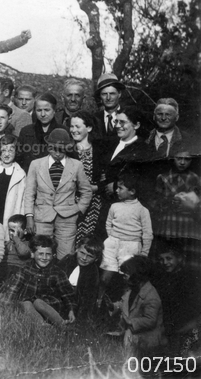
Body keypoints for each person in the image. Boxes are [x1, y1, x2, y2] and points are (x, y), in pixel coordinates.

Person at [23, 128, 93, 259]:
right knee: (41, 253)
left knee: (66, 255)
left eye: (61, 149)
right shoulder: (36, 164)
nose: (57, 153)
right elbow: (29, 193)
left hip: (67, 219)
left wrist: (78, 210)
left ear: (67, 148)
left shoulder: (76, 165)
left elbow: (86, 191)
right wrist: (29, 217)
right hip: (42, 217)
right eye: (53, 149)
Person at [96, 106, 157, 241]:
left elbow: (144, 180)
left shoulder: (144, 150)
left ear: (136, 125)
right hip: (105, 206)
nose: (118, 126)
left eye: (122, 122)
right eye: (116, 122)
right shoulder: (110, 145)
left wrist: (116, 184)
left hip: (126, 212)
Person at [98, 172, 153, 303]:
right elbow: (108, 223)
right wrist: (112, 238)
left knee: (128, 279)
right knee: (105, 277)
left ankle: (123, 307)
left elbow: (147, 233)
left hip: (131, 246)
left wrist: (144, 252)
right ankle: (98, 302)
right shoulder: (114, 206)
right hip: (113, 243)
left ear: (132, 191)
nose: (116, 190)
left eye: (120, 188)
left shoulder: (142, 210)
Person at [149, 141, 201, 275]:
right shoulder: (162, 178)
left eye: (187, 159)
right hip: (168, 225)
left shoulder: (196, 180)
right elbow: (154, 203)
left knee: (188, 263)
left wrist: (190, 205)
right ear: (173, 158)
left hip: (188, 226)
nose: (182, 162)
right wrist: (168, 202)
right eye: (179, 158)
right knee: (165, 261)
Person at [1, 235, 76, 326]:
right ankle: (42, 325)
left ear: (53, 255)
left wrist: (71, 310)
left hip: (50, 306)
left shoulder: (57, 272)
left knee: (38, 302)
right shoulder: (25, 269)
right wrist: (6, 305)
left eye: (48, 254)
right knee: (26, 303)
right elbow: (13, 288)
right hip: (30, 308)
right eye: (40, 254)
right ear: (32, 254)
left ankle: (61, 323)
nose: (44, 257)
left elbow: (67, 294)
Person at [151, 242, 201, 356]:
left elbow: (194, 308)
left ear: (179, 258)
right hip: (168, 327)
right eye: (161, 259)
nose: (165, 263)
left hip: (188, 325)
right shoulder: (162, 278)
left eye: (169, 258)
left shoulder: (190, 278)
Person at [115, 256, 167, 358]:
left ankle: (128, 356)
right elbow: (124, 303)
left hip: (149, 336)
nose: (123, 275)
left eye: (127, 272)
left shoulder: (151, 296)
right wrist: (113, 306)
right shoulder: (133, 289)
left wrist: (131, 322)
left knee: (128, 335)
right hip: (137, 332)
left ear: (138, 275)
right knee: (115, 336)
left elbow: (151, 320)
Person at [70, 111, 102, 242]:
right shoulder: (68, 150)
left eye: (78, 127)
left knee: (88, 241)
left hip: (94, 204)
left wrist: (95, 188)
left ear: (89, 128)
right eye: (71, 126)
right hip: (72, 201)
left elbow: (105, 179)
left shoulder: (99, 150)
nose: (73, 130)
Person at [56, 237, 103, 320]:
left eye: (90, 256)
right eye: (82, 253)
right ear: (77, 249)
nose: (84, 258)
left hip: (76, 301)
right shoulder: (68, 260)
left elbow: (88, 297)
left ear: (96, 258)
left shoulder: (92, 272)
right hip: (61, 295)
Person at [17, 93, 68, 171]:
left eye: (47, 110)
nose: (43, 114)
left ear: (54, 110)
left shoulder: (63, 131)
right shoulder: (26, 131)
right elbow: (20, 160)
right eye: (39, 110)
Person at [0, 214, 32, 289]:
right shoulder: (7, 243)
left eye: (14, 231)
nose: (11, 233)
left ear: (25, 231)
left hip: (18, 270)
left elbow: (23, 252)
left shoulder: (26, 244)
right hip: (4, 270)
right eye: (9, 230)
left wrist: (16, 238)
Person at [92, 73, 125, 149]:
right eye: (104, 94)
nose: (108, 98)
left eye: (112, 93)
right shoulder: (94, 119)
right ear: (100, 96)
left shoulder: (128, 116)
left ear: (119, 94)